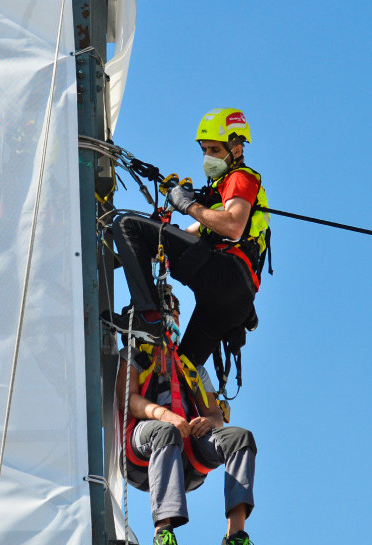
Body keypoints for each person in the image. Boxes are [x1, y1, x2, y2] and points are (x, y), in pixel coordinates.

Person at [112, 107, 270, 367]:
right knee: (181, 369)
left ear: (237, 150)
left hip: (227, 275)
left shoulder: (240, 178)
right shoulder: (219, 194)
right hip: (232, 301)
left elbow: (233, 226)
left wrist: (187, 206)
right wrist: (158, 230)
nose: (208, 157)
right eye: (204, 150)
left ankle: (149, 317)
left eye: (215, 150)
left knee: (127, 224)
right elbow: (190, 236)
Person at [116, 298, 260, 545]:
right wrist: (164, 415)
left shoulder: (192, 367)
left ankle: (235, 539)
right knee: (166, 431)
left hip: (188, 451)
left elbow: (214, 413)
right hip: (143, 444)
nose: (170, 316)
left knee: (241, 437)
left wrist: (209, 422)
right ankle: (163, 533)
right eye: (164, 309)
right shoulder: (132, 356)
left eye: (174, 311)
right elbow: (130, 400)